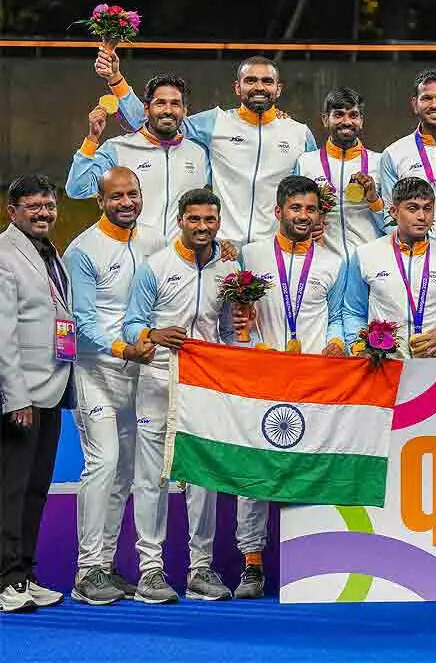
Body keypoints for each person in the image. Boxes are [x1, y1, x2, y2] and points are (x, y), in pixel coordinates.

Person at [121, 188, 247, 603]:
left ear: (219, 222)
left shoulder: (229, 267)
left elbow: (226, 330)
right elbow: (131, 324)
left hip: (204, 386)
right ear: (180, 221)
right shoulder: (155, 267)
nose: (202, 227)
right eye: (194, 219)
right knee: (152, 477)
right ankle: (150, 570)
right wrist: (153, 334)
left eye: (210, 220)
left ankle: (200, 568)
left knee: (202, 479)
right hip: (159, 380)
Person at [236, 177, 347, 597]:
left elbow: (338, 315)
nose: (303, 216)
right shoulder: (250, 254)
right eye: (296, 208)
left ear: (320, 214)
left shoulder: (334, 261)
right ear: (278, 211)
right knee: (255, 471)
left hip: (314, 380)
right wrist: (253, 342)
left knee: (313, 469)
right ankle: (252, 564)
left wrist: (336, 343)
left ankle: (313, 564)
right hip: (263, 376)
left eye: (311, 209)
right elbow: (237, 315)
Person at [63, 168, 165, 605]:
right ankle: (86, 570)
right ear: (100, 201)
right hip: (97, 370)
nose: (126, 202)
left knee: (124, 472)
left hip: (140, 371)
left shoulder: (155, 241)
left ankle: (104, 565)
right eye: (117, 196)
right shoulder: (83, 250)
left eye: (132, 194)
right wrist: (124, 349)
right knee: (103, 464)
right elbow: (80, 321)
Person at [99, 50, 317, 245]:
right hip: (223, 247)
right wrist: (116, 79)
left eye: (267, 81)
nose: (259, 87)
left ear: (278, 89)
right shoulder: (214, 123)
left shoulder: (299, 133)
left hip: (275, 247)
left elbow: (315, 188)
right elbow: (153, 121)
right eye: (250, 80)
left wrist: (319, 221)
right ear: (237, 87)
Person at [0, 175, 74, 613]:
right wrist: (16, 397)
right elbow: (3, 334)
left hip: (51, 389)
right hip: (21, 396)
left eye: (48, 206)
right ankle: (5, 579)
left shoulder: (48, 251)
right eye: (34, 207)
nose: (44, 213)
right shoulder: (4, 254)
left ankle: (24, 574)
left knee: (34, 490)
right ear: (13, 212)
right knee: (10, 491)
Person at [344, 177, 436, 359]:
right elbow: (353, 312)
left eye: (427, 208)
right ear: (394, 212)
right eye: (412, 209)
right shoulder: (365, 255)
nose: (422, 217)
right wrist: (359, 348)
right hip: (385, 365)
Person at [67, 74, 210, 240]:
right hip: (131, 253)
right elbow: (78, 189)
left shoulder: (198, 154)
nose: (168, 110)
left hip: (179, 254)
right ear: (146, 109)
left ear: (184, 111)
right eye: (160, 103)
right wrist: (92, 139)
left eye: (175, 104)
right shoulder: (117, 148)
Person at [379, 69, 436, 250]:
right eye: (427, 98)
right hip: (414, 255)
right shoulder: (394, 154)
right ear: (415, 104)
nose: (434, 104)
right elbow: (389, 215)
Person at [293, 88, 387, 261]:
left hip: (368, 260)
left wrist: (374, 199)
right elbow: (293, 213)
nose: (346, 121)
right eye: (338, 115)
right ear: (325, 119)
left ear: (361, 120)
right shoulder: (305, 163)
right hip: (322, 261)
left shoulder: (380, 162)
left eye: (353, 115)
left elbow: (394, 223)